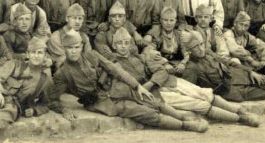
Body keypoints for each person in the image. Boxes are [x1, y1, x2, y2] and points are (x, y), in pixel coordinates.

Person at [47, 30, 203, 132]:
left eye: (76, 47)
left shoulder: (91, 55)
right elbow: (53, 99)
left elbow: (114, 69)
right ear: (64, 49)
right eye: (69, 48)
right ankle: (185, 126)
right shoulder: (62, 73)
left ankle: (183, 117)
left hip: (115, 87)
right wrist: (65, 110)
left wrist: (137, 86)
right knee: (144, 112)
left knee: (152, 100)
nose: (73, 51)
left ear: (81, 46)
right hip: (101, 101)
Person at [47, 3, 92, 69]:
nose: (77, 22)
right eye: (74, 18)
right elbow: (61, 60)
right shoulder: (56, 37)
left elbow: (89, 57)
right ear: (67, 19)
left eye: (80, 18)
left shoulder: (84, 37)